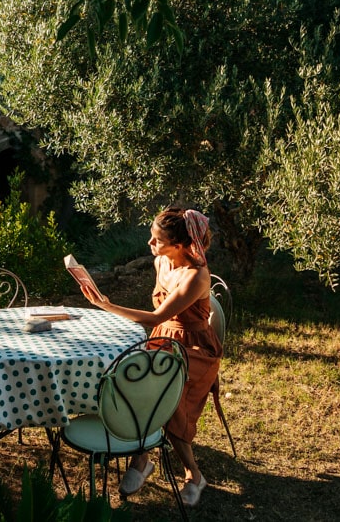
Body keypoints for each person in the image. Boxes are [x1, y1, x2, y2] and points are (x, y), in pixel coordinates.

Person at [77, 207, 222, 507]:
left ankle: (193, 474)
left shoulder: (196, 276)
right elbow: (159, 321)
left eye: (157, 240)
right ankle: (142, 459)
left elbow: (155, 315)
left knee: (162, 396)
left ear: (180, 245)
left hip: (194, 348)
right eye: (151, 237)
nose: (150, 245)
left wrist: (105, 304)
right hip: (163, 339)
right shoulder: (161, 262)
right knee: (132, 383)